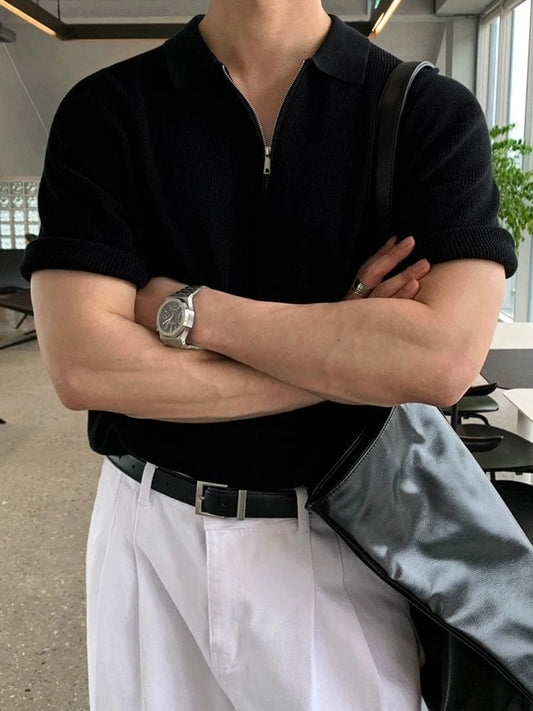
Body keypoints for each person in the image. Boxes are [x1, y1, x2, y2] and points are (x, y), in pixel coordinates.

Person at [21, 1, 517, 709]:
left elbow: (439, 363)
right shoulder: (107, 111)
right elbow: (86, 368)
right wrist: (349, 350)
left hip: (346, 537)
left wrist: (190, 311)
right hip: (148, 532)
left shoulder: (427, 113)